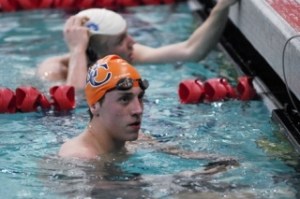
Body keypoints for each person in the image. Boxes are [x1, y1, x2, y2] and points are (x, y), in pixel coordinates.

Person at [37, 0, 239, 90]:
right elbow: (76, 99)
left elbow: (191, 51)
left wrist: (221, 7)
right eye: (121, 40)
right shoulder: (54, 69)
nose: (132, 43)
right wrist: (77, 50)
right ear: (97, 54)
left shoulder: (127, 54)